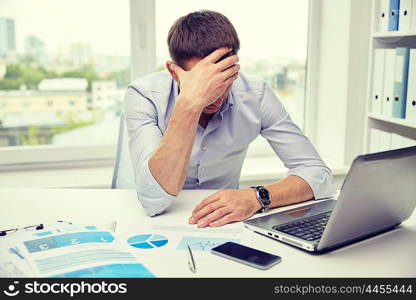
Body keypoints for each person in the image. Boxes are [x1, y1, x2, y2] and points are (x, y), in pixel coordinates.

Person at [124, 10, 335, 228]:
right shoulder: (143, 95)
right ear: (174, 72)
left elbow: (319, 176)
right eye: (201, 79)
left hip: (227, 222)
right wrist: (189, 105)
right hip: (161, 220)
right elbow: (153, 201)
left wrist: (256, 197)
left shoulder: (256, 94)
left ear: (235, 67)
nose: (213, 93)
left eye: (223, 77)